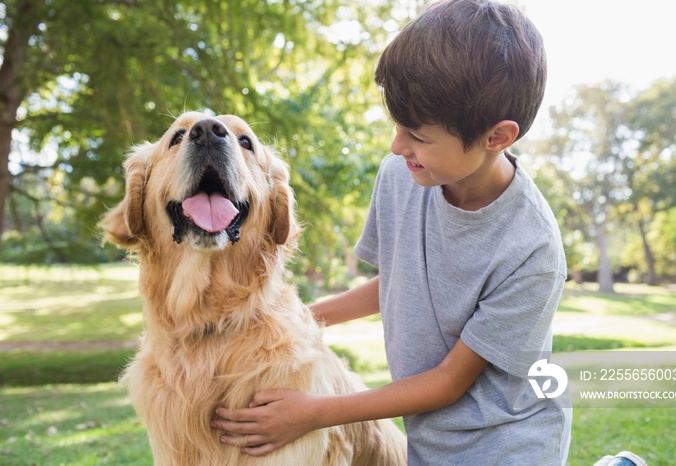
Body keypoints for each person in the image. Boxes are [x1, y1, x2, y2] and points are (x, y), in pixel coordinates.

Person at [211, 0, 572, 464]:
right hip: (431, 440)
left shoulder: (533, 250)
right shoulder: (404, 174)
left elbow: (447, 381)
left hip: (510, 444)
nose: (397, 145)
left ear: (497, 137)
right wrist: (292, 320)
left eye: (418, 135)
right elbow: (400, 284)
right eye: (397, 126)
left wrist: (313, 412)